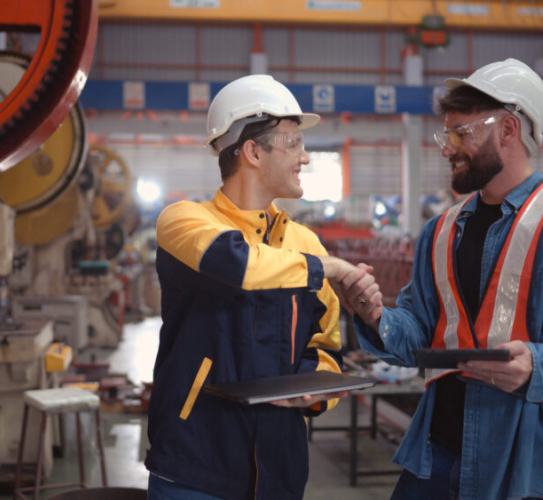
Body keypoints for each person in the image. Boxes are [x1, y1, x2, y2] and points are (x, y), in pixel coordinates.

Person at [144, 74, 379, 500]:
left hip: (280, 469)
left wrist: (312, 394)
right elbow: (239, 265)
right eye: (293, 143)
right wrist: (329, 267)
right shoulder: (183, 221)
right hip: (195, 465)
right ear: (252, 151)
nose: (305, 157)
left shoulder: (305, 245)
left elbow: (325, 347)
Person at [340, 58, 543, 500]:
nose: (447, 149)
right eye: (445, 136)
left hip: (523, 468)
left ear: (508, 129)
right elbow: (422, 332)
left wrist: (535, 366)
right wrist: (374, 314)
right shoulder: (442, 231)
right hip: (437, 456)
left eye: (461, 134)